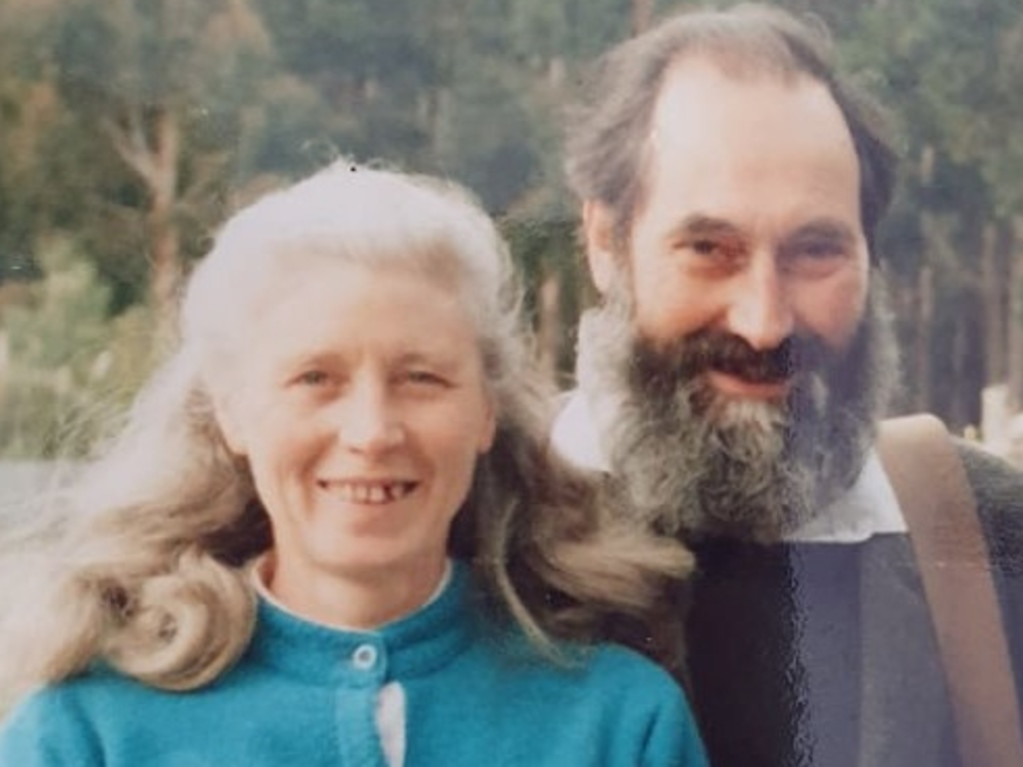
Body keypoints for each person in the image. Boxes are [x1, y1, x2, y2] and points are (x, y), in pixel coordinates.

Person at [0, 160, 708, 766]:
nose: (371, 431)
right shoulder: (86, 732)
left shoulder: (618, 724)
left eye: (421, 377)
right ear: (232, 413)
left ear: (486, 410)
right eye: (316, 378)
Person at [553, 4, 1023, 766]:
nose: (765, 323)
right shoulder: (465, 535)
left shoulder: (989, 538)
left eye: (814, 251)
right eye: (709, 248)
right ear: (605, 242)